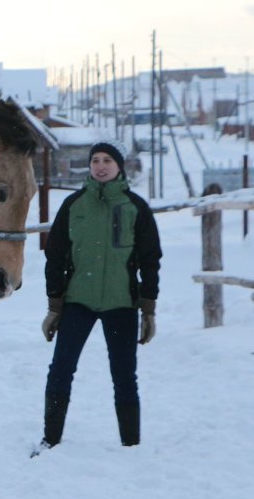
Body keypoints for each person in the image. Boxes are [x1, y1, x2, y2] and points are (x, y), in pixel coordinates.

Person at [34, 140, 162, 454]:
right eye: (95, 161)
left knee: (124, 374)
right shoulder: (74, 205)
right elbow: (55, 255)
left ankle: (131, 445)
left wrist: (148, 309)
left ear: (119, 166)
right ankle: (50, 440)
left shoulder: (135, 207)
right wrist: (54, 305)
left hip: (122, 304)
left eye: (107, 160)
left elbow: (150, 260)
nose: (100, 166)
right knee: (61, 369)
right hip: (79, 301)